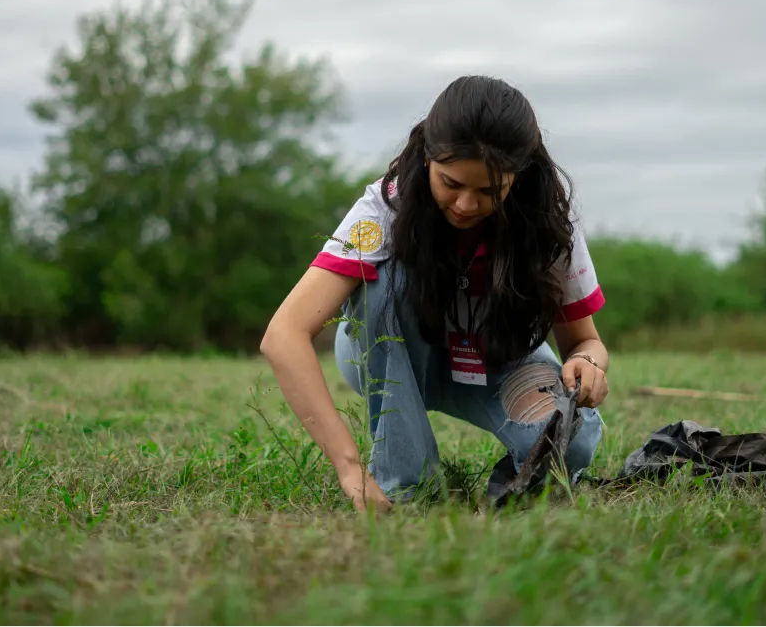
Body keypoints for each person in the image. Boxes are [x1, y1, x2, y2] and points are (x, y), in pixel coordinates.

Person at [260, 75, 609, 512]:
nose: (465, 205)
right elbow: (284, 334)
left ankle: (516, 487)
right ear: (427, 158)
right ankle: (408, 487)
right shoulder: (384, 209)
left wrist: (589, 362)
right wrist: (348, 465)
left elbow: (584, 341)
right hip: (393, 351)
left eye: (489, 191)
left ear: (519, 177)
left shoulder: (549, 225)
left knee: (570, 440)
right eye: (451, 183)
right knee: (380, 285)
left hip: (497, 359)